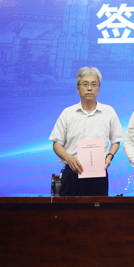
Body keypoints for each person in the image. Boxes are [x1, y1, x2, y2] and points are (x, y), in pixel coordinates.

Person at [49, 66, 125, 196]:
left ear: (99, 88)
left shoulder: (109, 112)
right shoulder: (68, 113)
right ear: (78, 88)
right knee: (69, 209)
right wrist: (69, 158)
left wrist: (110, 156)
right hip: (72, 173)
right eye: (85, 84)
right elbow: (56, 144)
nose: (89, 88)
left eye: (94, 84)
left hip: (98, 174)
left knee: (98, 208)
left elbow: (116, 141)